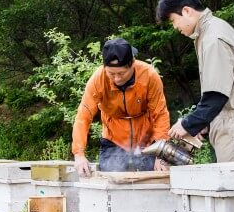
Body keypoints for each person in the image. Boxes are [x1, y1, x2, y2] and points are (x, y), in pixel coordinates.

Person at [156, 0, 234, 162]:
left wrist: (187, 124)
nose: (175, 27)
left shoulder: (213, 38)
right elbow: (223, 88)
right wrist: (204, 123)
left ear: (186, 11)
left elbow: (216, 95)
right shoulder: (208, 32)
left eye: (173, 20)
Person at [72, 38, 170, 176]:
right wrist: (79, 154)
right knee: (110, 180)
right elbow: (83, 117)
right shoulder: (98, 80)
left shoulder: (149, 76)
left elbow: (160, 114)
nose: (116, 79)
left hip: (146, 139)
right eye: (111, 74)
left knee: (154, 177)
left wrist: (161, 154)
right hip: (113, 138)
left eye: (121, 73)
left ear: (132, 64)